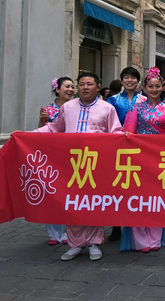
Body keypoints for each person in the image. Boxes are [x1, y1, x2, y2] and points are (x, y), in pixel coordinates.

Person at [34, 71, 124, 261]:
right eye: (81, 84)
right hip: (71, 164)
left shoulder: (107, 109)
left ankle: (94, 243)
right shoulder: (68, 107)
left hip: (96, 164)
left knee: (92, 203)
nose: (85, 87)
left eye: (89, 84)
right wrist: (29, 134)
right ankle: (75, 244)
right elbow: (54, 128)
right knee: (73, 203)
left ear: (98, 87)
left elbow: (116, 132)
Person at [121, 68, 165, 253]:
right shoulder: (136, 108)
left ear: (162, 87)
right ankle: (140, 241)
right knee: (138, 200)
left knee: (157, 200)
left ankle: (155, 238)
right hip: (138, 159)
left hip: (160, 160)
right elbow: (129, 132)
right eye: (150, 86)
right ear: (144, 87)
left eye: (157, 86)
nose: (154, 89)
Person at [106, 66, 145, 242]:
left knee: (137, 185)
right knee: (117, 186)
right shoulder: (112, 100)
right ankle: (115, 225)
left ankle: (135, 224)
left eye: (133, 78)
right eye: (126, 77)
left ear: (138, 81)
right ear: (121, 81)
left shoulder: (144, 99)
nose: (130, 80)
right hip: (117, 148)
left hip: (139, 148)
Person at [39, 76, 75, 245]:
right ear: (57, 89)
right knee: (54, 192)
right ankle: (54, 233)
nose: (70, 90)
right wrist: (41, 120)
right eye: (67, 86)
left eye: (72, 87)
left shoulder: (75, 107)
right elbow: (42, 131)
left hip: (73, 156)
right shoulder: (48, 109)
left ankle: (70, 231)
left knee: (70, 193)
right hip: (53, 156)